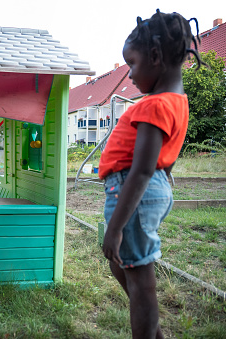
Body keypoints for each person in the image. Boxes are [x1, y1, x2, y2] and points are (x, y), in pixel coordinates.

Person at [99, 10, 205, 338]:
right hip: (147, 189)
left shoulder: (154, 105)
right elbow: (165, 162)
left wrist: (115, 226)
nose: (129, 75)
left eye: (131, 64)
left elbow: (144, 169)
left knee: (140, 281)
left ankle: (149, 329)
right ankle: (154, 329)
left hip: (134, 188)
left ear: (155, 57)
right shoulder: (177, 102)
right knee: (124, 265)